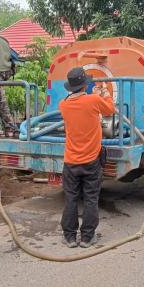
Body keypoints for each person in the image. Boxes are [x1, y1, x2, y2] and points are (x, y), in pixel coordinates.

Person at [59, 67, 115, 248]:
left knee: (71, 198)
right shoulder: (93, 100)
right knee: (91, 198)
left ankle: (69, 237)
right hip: (91, 161)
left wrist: (94, 96)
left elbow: (80, 105)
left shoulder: (63, 104)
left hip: (71, 162)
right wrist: (104, 92)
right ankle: (87, 238)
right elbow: (109, 110)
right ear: (85, 85)